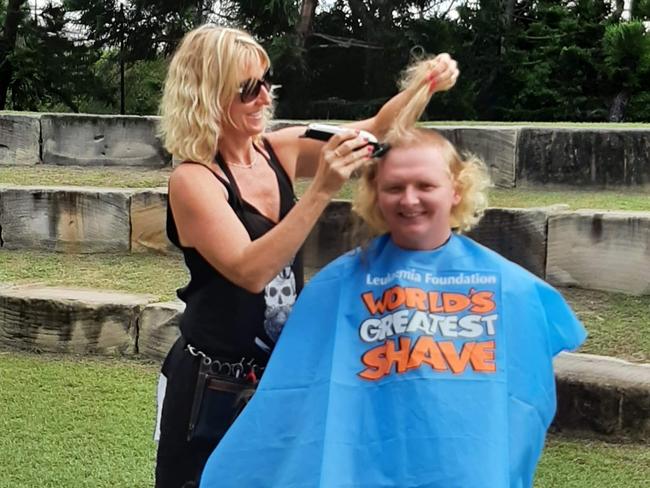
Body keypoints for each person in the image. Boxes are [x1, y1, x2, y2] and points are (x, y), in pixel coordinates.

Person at [198, 58, 587, 488]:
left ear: (456, 190)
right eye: (394, 188)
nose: (410, 200)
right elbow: (295, 398)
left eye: (425, 186)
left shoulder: (509, 287)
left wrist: (425, 85)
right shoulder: (336, 285)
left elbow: (522, 399)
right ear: (374, 195)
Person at [155, 23, 459, 488]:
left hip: (275, 374)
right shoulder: (194, 180)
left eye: (266, 81)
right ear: (207, 95)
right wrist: (320, 191)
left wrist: (425, 83)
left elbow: (377, 130)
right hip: (209, 385)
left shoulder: (279, 149)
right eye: (247, 89)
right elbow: (250, 270)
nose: (264, 98)